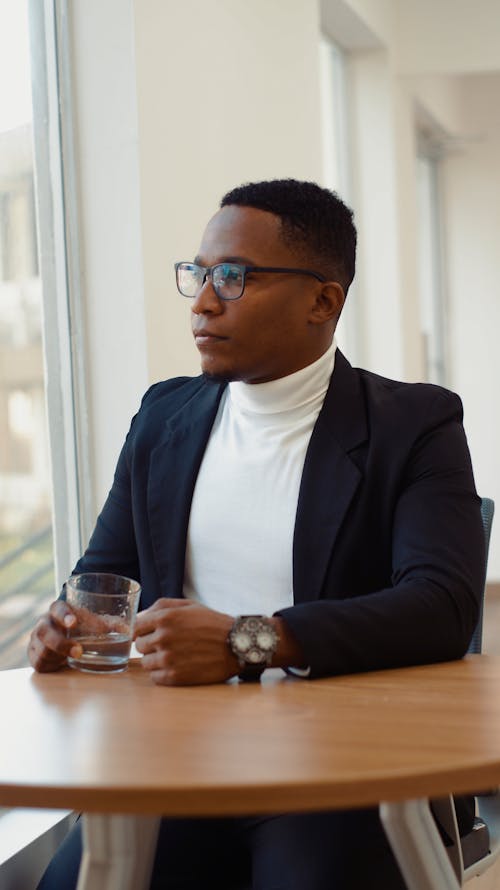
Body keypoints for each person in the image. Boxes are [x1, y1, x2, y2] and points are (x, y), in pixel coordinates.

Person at [29, 179, 485, 889]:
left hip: (340, 765)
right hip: (179, 756)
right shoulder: (163, 418)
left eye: (234, 278)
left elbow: (440, 607)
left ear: (323, 301)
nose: (204, 302)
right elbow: (104, 577)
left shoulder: (414, 426)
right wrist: (70, 624)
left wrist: (249, 640)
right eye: (200, 274)